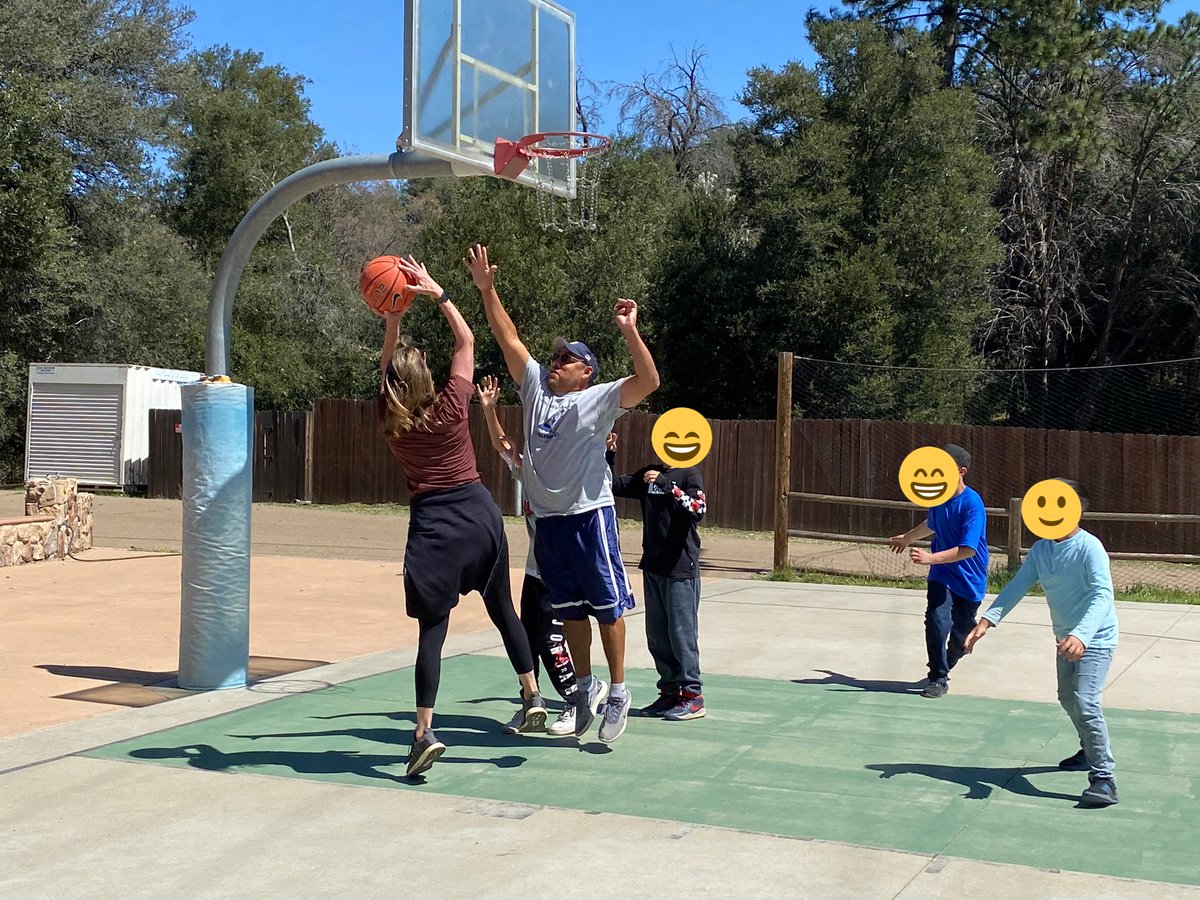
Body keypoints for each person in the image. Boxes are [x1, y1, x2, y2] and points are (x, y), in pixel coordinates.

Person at [466, 243, 660, 744]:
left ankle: (618, 690)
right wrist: (488, 290)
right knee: (571, 612)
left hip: (588, 516)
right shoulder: (534, 389)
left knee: (606, 607)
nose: (555, 362)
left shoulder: (598, 399)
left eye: (566, 359)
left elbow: (650, 380)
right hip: (549, 523)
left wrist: (630, 330)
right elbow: (506, 335)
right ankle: (583, 692)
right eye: (554, 356)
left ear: (586, 371)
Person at [376, 255, 545, 777]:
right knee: (503, 612)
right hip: (480, 518)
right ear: (426, 377)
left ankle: (424, 731)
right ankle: (533, 695)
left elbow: (386, 372)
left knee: (433, 634)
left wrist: (393, 314)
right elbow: (468, 343)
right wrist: (436, 292)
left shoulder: (392, 419)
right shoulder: (452, 403)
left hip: (434, 531)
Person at [964, 479, 1120, 807]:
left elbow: (1103, 594)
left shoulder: (1089, 547)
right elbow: (1018, 585)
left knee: (1085, 700)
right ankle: (1088, 749)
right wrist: (987, 619)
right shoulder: (1041, 549)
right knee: (1067, 699)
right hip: (1065, 640)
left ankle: (1104, 778)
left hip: (1096, 638)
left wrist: (1082, 635)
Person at [476, 374, 581, 737]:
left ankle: (574, 702)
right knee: (526, 638)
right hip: (535, 572)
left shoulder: (563, 478)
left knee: (552, 640)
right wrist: (489, 410)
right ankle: (530, 702)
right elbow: (501, 444)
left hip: (561, 571)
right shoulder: (527, 472)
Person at [607, 432, 708, 720]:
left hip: (680, 569)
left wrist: (668, 486)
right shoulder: (649, 474)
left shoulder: (690, 474)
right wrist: (609, 455)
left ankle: (693, 695)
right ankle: (669, 692)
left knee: (681, 634)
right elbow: (613, 485)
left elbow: (698, 509)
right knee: (658, 635)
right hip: (653, 566)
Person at [888, 444, 989, 698]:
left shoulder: (972, 503)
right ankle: (938, 677)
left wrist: (931, 557)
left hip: (969, 578)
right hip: (941, 574)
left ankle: (952, 655)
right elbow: (931, 523)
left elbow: (968, 549)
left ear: (961, 471)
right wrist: (907, 538)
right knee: (936, 619)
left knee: (960, 635)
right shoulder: (938, 498)